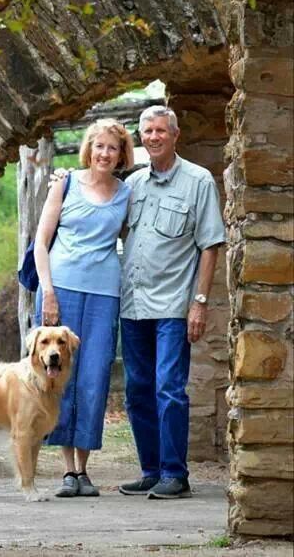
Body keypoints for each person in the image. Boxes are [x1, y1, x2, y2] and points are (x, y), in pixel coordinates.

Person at [117, 105, 225, 499]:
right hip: (132, 305)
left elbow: (211, 244)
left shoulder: (198, 181)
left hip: (172, 307)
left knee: (169, 389)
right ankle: (151, 469)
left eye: (161, 130)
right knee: (137, 390)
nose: (154, 137)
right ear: (141, 137)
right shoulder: (132, 184)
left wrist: (199, 302)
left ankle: (175, 474)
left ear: (174, 135)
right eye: (147, 131)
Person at [34, 118, 134, 498]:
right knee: (61, 377)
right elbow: (41, 242)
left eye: (113, 147)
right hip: (62, 289)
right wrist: (49, 293)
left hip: (104, 295)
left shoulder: (127, 193)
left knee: (93, 378)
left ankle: (84, 469)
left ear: (121, 153)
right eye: (99, 146)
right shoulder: (65, 182)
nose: (105, 153)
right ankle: (66, 471)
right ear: (88, 149)